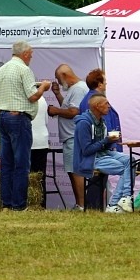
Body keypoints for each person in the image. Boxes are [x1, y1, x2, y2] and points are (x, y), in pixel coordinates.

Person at [0, 41, 51, 211]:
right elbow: (33, 97)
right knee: (21, 164)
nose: (31, 57)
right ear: (25, 54)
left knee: (7, 163)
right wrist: (44, 88)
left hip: (3, 116)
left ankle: (7, 204)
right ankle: (19, 205)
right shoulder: (24, 70)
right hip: (18, 118)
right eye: (31, 54)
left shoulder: (3, 69)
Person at [72, 95, 133, 213]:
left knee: (131, 160)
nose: (109, 107)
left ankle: (125, 198)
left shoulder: (101, 121)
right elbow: (86, 150)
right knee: (125, 168)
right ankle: (114, 203)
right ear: (97, 106)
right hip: (90, 159)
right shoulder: (83, 124)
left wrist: (111, 142)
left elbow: (102, 145)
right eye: (106, 104)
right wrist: (106, 140)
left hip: (103, 154)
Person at [48, 64, 89, 210]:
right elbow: (69, 109)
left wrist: (55, 111)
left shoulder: (78, 89)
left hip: (73, 136)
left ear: (65, 75)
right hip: (70, 136)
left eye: (59, 79)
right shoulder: (74, 89)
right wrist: (58, 94)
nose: (58, 83)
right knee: (72, 171)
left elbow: (73, 112)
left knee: (76, 172)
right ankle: (79, 204)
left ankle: (81, 205)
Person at [79, 69, 123, 153]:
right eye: (105, 81)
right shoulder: (99, 101)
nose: (106, 83)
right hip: (105, 149)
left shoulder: (83, 101)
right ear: (99, 84)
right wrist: (112, 146)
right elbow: (106, 123)